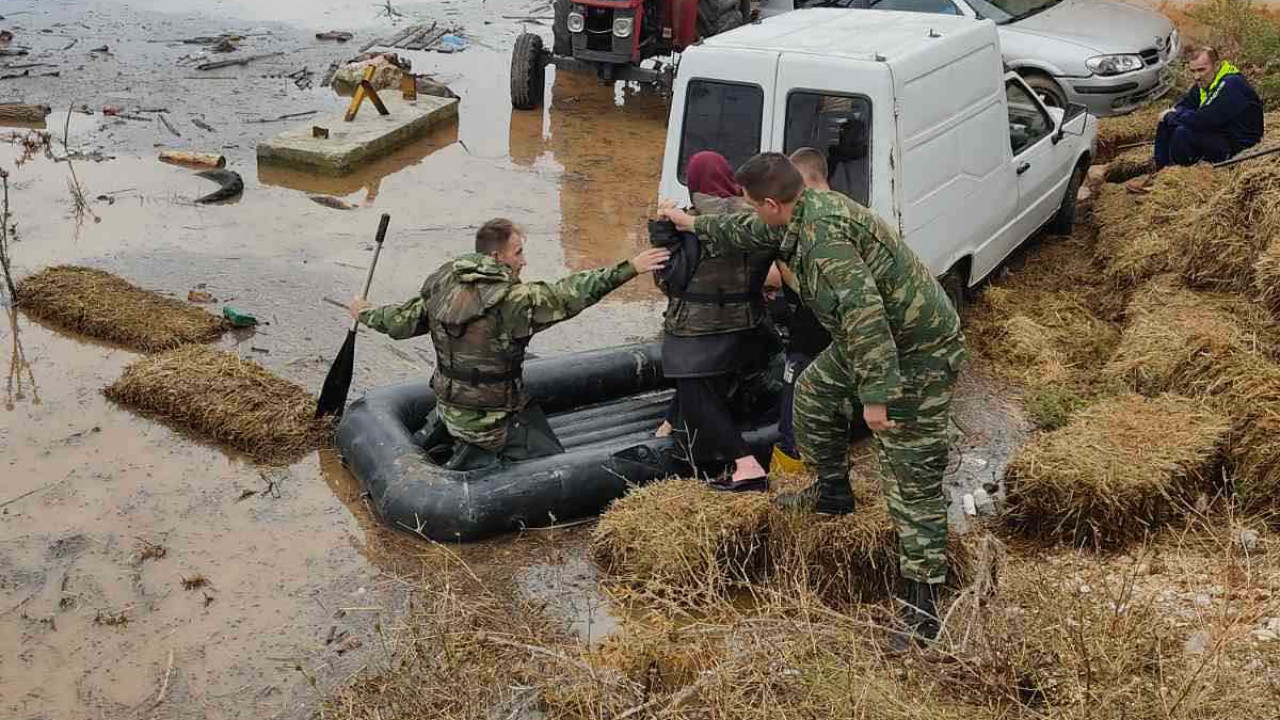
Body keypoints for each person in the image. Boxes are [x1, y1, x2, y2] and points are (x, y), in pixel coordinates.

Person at [659, 153, 967, 646]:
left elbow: (867, 317)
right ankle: (833, 492)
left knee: (909, 470)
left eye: (754, 206)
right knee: (812, 395)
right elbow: (747, 233)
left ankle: (922, 602)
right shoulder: (798, 211)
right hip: (867, 341)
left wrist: (875, 397)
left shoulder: (826, 240)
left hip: (915, 350)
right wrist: (687, 222)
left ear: (773, 203)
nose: (754, 215)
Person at [346, 219, 669, 469]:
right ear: (496, 256)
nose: (524, 262)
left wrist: (367, 312)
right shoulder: (514, 302)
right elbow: (571, 293)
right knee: (553, 464)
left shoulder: (443, 283)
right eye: (519, 253)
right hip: (494, 421)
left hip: (448, 407)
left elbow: (400, 321)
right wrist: (630, 268)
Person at [652, 151, 778, 491]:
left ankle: (745, 464)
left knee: (696, 387)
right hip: (747, 328)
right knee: (706, 386)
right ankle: (671, 422)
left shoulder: (688, 223)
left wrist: (661, 232)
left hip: (697, 332)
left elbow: (669, 280)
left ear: (694, 184)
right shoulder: (756, 219)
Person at [768, 148, 838, 475]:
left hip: (811, 339)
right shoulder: (849, 212)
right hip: (838, 341)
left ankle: (791, 479)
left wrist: (779, 269)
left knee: (792, 417)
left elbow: (815, 289)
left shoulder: (819, 224)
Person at [1128, 46, 1263, 192]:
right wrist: (1172, 116)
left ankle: (1175, 184)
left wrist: (1172, 115)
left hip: (1238, 145)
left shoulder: (1231, 84)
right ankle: (1160, 175)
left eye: (1201, 70)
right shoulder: (1206, 82)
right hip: (1218, 133)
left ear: (1216, 66)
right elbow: (1183, 104)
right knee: (1165, 123)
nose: (1196, 76)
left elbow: (1202, 120)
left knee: (1182, 132)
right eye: (1193, 71)